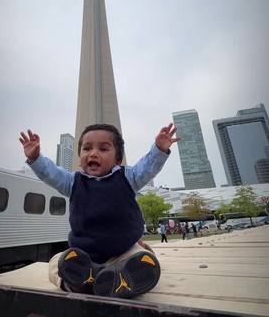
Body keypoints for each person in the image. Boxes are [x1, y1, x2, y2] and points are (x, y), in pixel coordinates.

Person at [19, 123, 180, 299]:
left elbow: (147, 168)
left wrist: (158, 149)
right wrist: (35, 158)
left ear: (118, 159)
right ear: (80, 155)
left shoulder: (128, 178)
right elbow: (51, 174)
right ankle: (76, 282)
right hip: (85, 258)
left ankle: (119, 279)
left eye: (103, 149)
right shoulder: (73, 182)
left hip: (122, 252)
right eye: (87, 148)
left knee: (143, 257)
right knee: (55, 263)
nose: (93, 153)